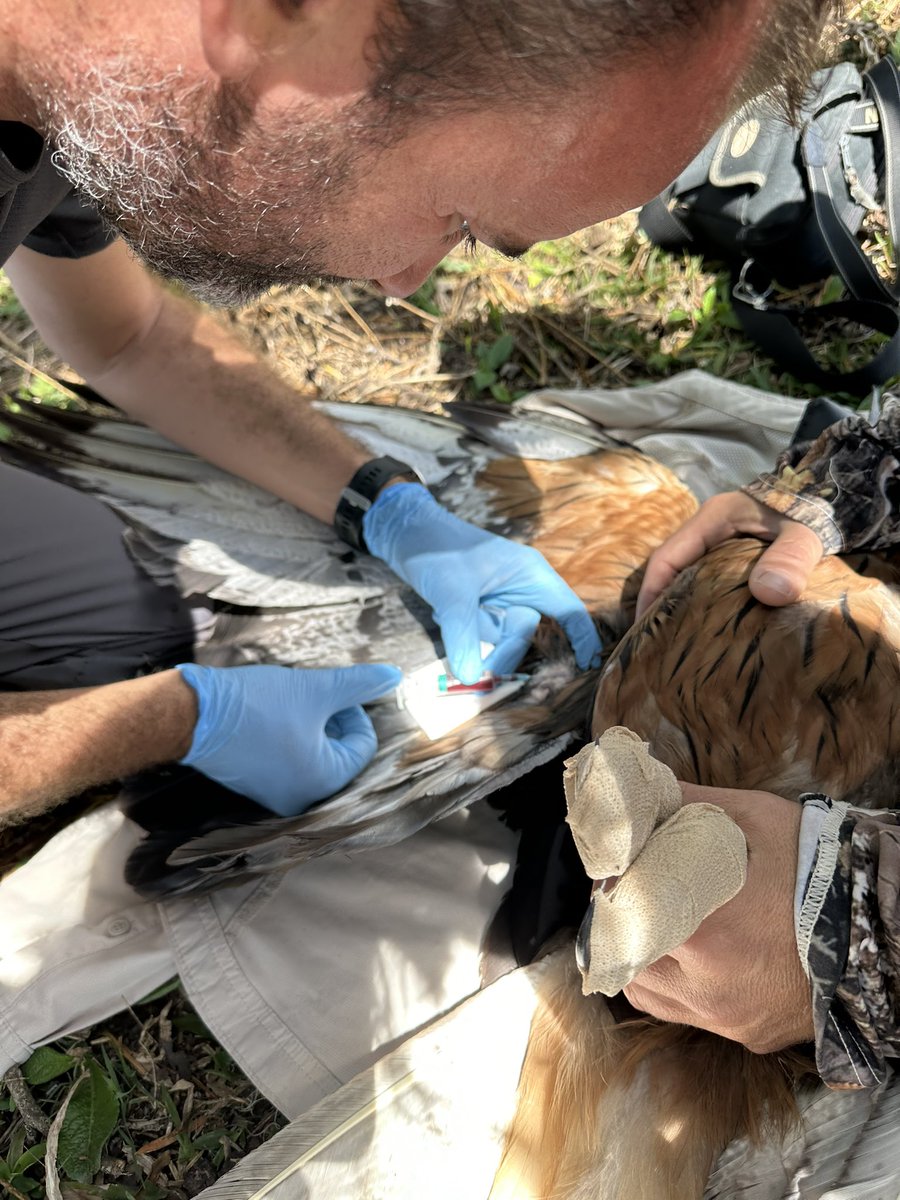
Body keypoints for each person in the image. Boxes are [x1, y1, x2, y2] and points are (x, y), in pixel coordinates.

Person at [0, 0, 860, 1080]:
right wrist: (168, 716)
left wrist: (389, 507)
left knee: (131, 617)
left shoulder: (94, 79)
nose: (407, 281)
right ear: (280, 24)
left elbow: (126, 332)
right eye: (456, 215)